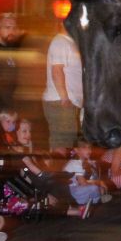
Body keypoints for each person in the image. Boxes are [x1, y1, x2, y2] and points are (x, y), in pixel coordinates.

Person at [42, 24, 83, 155]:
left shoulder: (70, 43)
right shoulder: (60, 42)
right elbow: (57, 70)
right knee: (61, 146)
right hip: (61, 102)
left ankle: (57, 173)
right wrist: (64, 97)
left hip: (68, 103)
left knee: (65, 144)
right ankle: (53, 173)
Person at [62, 137, 111, 206]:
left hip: (78, 187)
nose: (89, 150)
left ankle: (93, 201)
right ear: (76, 150)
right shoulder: (75, 163)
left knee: (98, 188)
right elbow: (83, 183)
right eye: (84, 148)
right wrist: (98, 183)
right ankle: (86, 202)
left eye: (89, 147)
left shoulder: (84, 161)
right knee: (94, 188)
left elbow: (88, 179)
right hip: (71, 191)